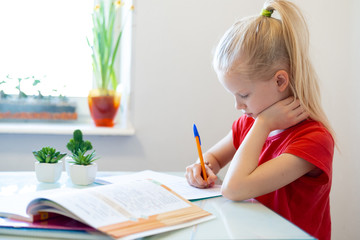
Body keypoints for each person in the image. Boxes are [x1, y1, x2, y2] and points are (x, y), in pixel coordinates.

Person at [185, 1, 335, 240]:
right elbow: (213, 158)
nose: (238, 105)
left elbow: (234, 188)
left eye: (243, 95)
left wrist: (264, 124)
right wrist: (202, 168)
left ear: (280, 82)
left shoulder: (314, 140)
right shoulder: (249, 122)